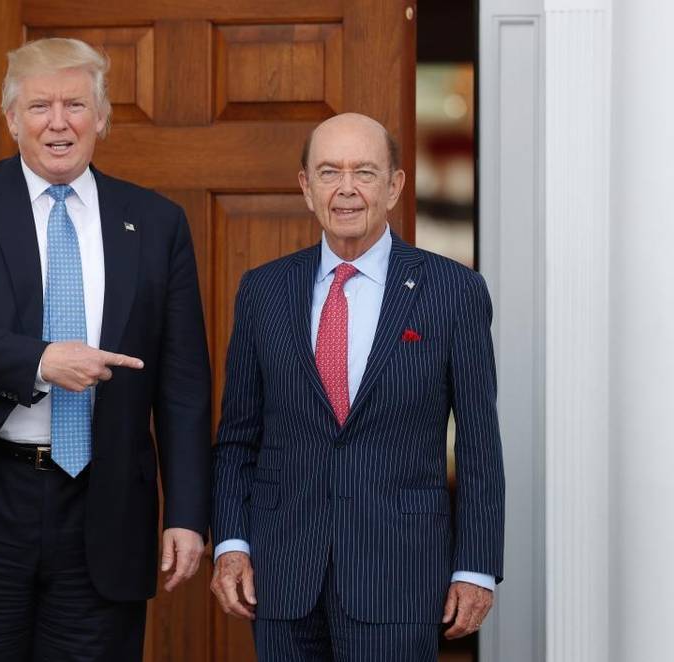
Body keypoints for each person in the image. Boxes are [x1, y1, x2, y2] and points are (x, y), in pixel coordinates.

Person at [0, 37, 212, 661]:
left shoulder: (156, 221)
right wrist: (38, 361)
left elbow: (183, 382)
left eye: (75, 105)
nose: (58, 122)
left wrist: (188, 514)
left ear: (102, 117)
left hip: (105, 504)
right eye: (39, 106)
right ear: (11, 119)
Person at [210, 113, 504, 661]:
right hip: (283, 578)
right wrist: (231, 544)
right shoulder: (263, 291)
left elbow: (480, 443)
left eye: (364, 172)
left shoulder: (453, 291)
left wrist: (476, 567)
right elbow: (237, 439)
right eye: (329, 172)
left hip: (400, 575)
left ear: (394, 186)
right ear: (306, 186)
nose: (346, 188)